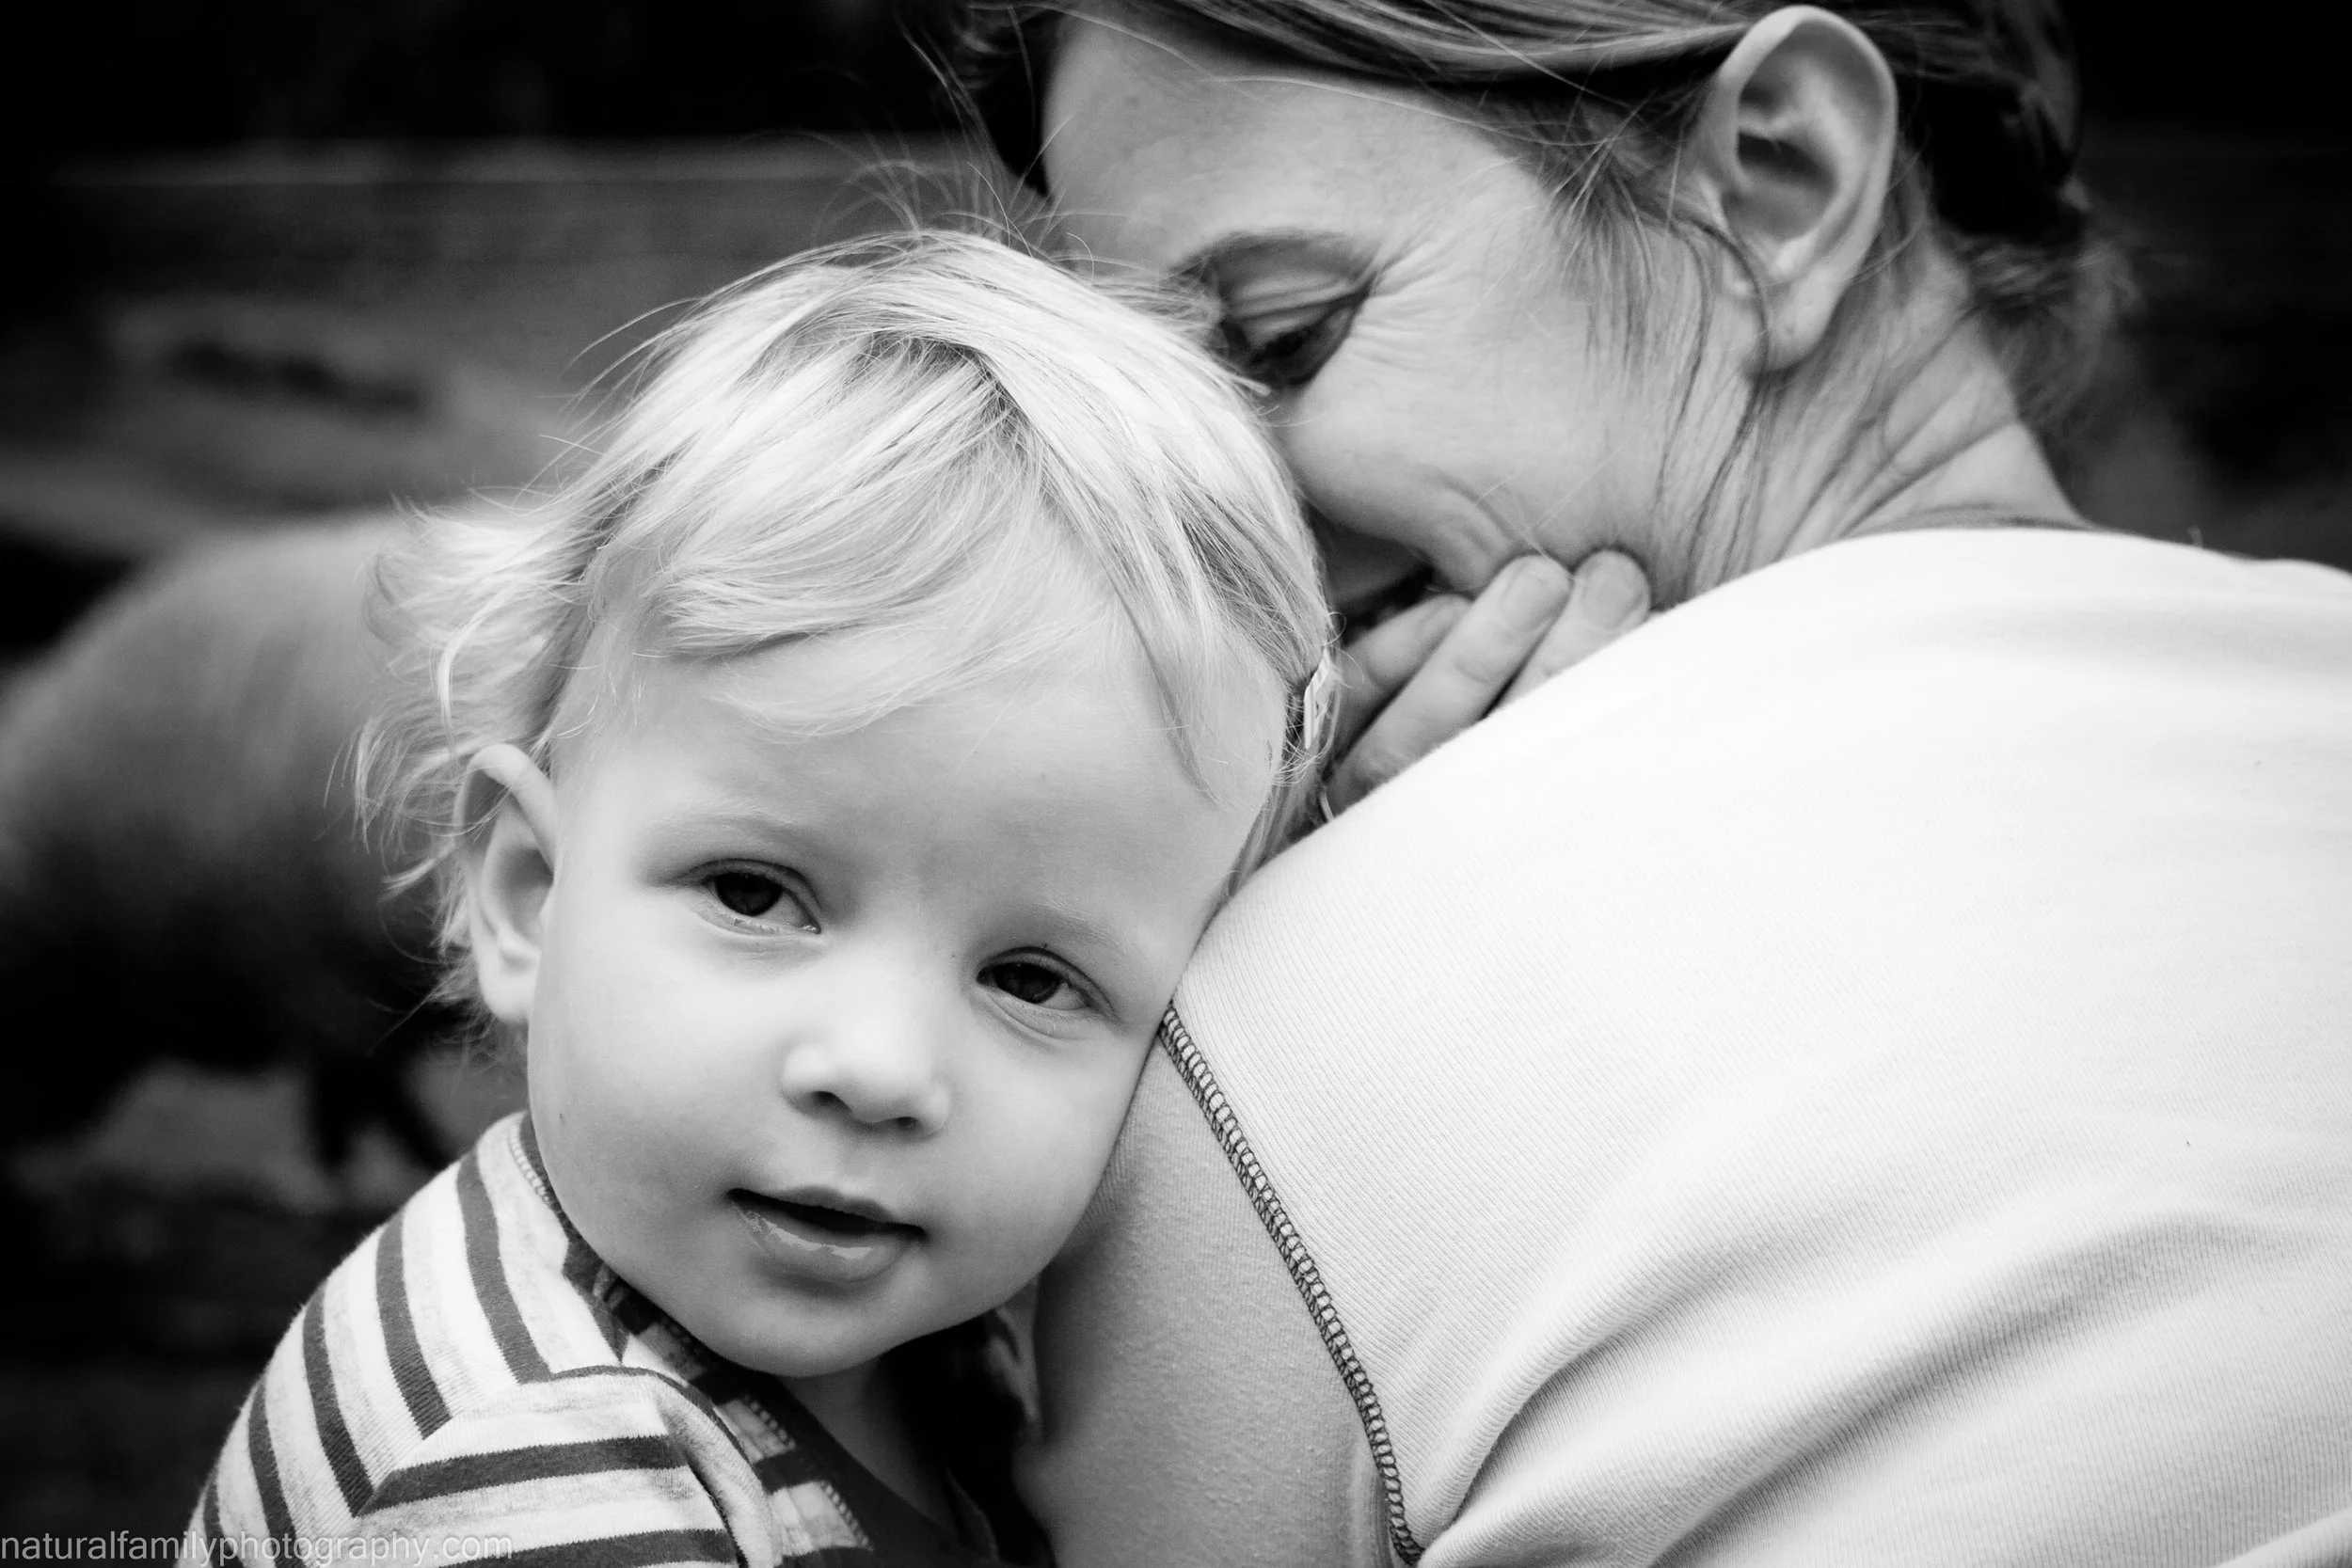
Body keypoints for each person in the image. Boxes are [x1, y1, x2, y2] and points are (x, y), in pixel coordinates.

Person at [951, 2, 2352, 1564]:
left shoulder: (1302, 1026)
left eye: (1288, 337)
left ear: (1777, 182)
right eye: (1158, 426)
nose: (1223, 537)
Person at [179, 230, 1330, 1567]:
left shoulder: (932, 1356)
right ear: (530, 895)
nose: (879, 1068)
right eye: (757, 893)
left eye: (1030, 977)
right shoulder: (533, 1463)